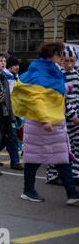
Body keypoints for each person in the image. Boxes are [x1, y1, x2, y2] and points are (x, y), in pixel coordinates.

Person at [11, 42, 79, 205]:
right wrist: (45, 119)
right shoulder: (40, 71)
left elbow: (53, 93)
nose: (62, 59)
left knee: (61, 158)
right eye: (59, 55)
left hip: (53, 124)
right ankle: (28, 191)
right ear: (51, 55)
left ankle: (72, 193)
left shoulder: (50, 70)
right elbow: (36, 98)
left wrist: (66, 89)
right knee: (35, 160)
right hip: (41, 124)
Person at [46, 45, 79, 185]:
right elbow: (62, 100)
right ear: (61, 60)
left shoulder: (76, 74)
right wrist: (73, 116)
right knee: (59, 147)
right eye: (67, 61)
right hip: (61, 117)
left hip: (75, 116)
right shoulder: (56, 76)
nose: (70, 64)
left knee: (76, 145)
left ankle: (75, 173)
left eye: (72, 60)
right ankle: (52, 174)